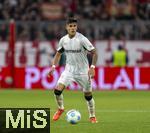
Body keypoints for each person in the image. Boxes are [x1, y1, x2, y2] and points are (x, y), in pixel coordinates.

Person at [48, 17, 98, 123]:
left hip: (83, 71)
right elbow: (58, 54)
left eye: (74, 26)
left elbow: (94, 52)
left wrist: (92, 67)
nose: (73, 28)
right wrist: (53, 67)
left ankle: (92, 116)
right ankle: (61, 108)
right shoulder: (63, 40)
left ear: (77, 27)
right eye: (70, 26)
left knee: (88, 96)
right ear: (67, 27)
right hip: (69, 71)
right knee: (57, 91)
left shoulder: (82, 39)